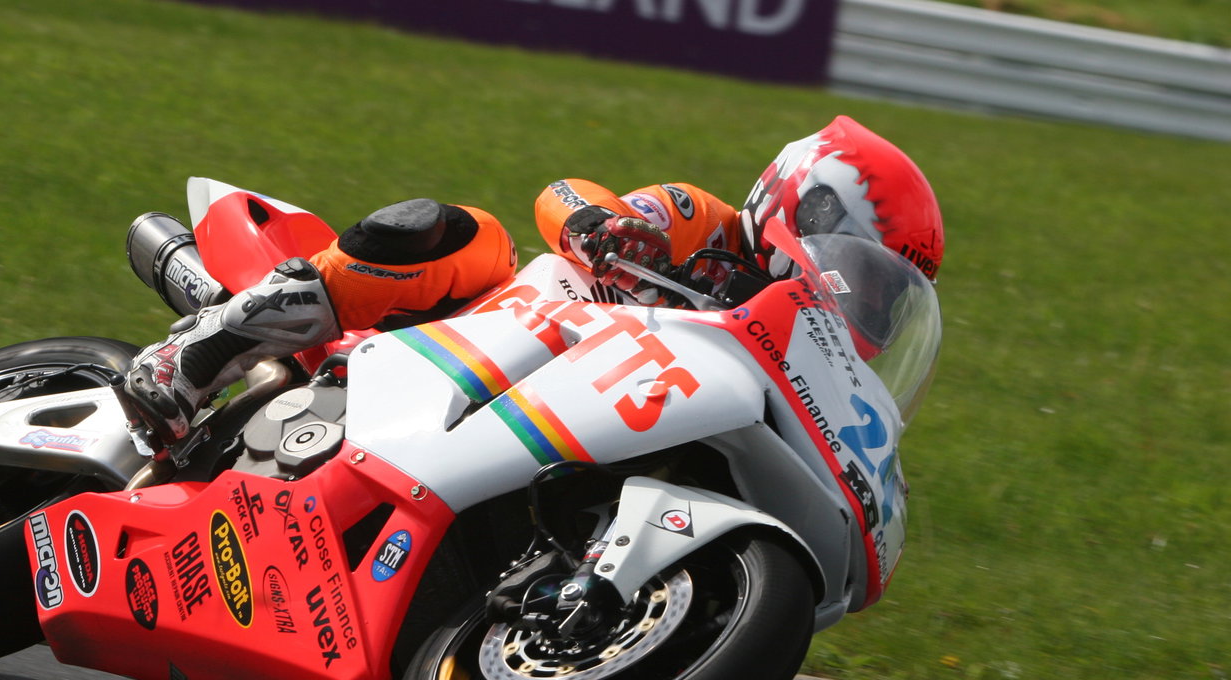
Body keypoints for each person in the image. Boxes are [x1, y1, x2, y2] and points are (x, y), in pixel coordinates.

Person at [123, 114, 944, 450]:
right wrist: (604, 226)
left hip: (575, 422)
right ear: (807, 205)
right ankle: (206, 348)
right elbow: (564, 197)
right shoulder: (706, 222)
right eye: (863, 273)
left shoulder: (803, 354)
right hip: (487, 333)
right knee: (470, 235)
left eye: (880, 295)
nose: (858, 299)